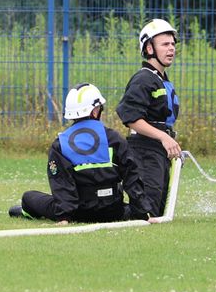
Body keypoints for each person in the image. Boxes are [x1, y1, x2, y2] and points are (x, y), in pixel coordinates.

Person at [10, 84, 142, 223]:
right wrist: (141, 212)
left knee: (28, 197)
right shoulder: (114, 138)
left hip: (78, 213)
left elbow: (61, 182)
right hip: (113, 211)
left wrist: (64, 217)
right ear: (95, 111)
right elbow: (131, 175)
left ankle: (27, 211)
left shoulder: (60, 143)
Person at [116, 17, 183, 221]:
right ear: (149, 48)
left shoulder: (161, 80)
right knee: (147, 214)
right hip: (144, 151)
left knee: (158, 212)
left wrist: (167, 141)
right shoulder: (144, 78)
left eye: (173, 44)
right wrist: (164, 138)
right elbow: (130, 117)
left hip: (158, 151)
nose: (171, 48)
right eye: (165, 44)